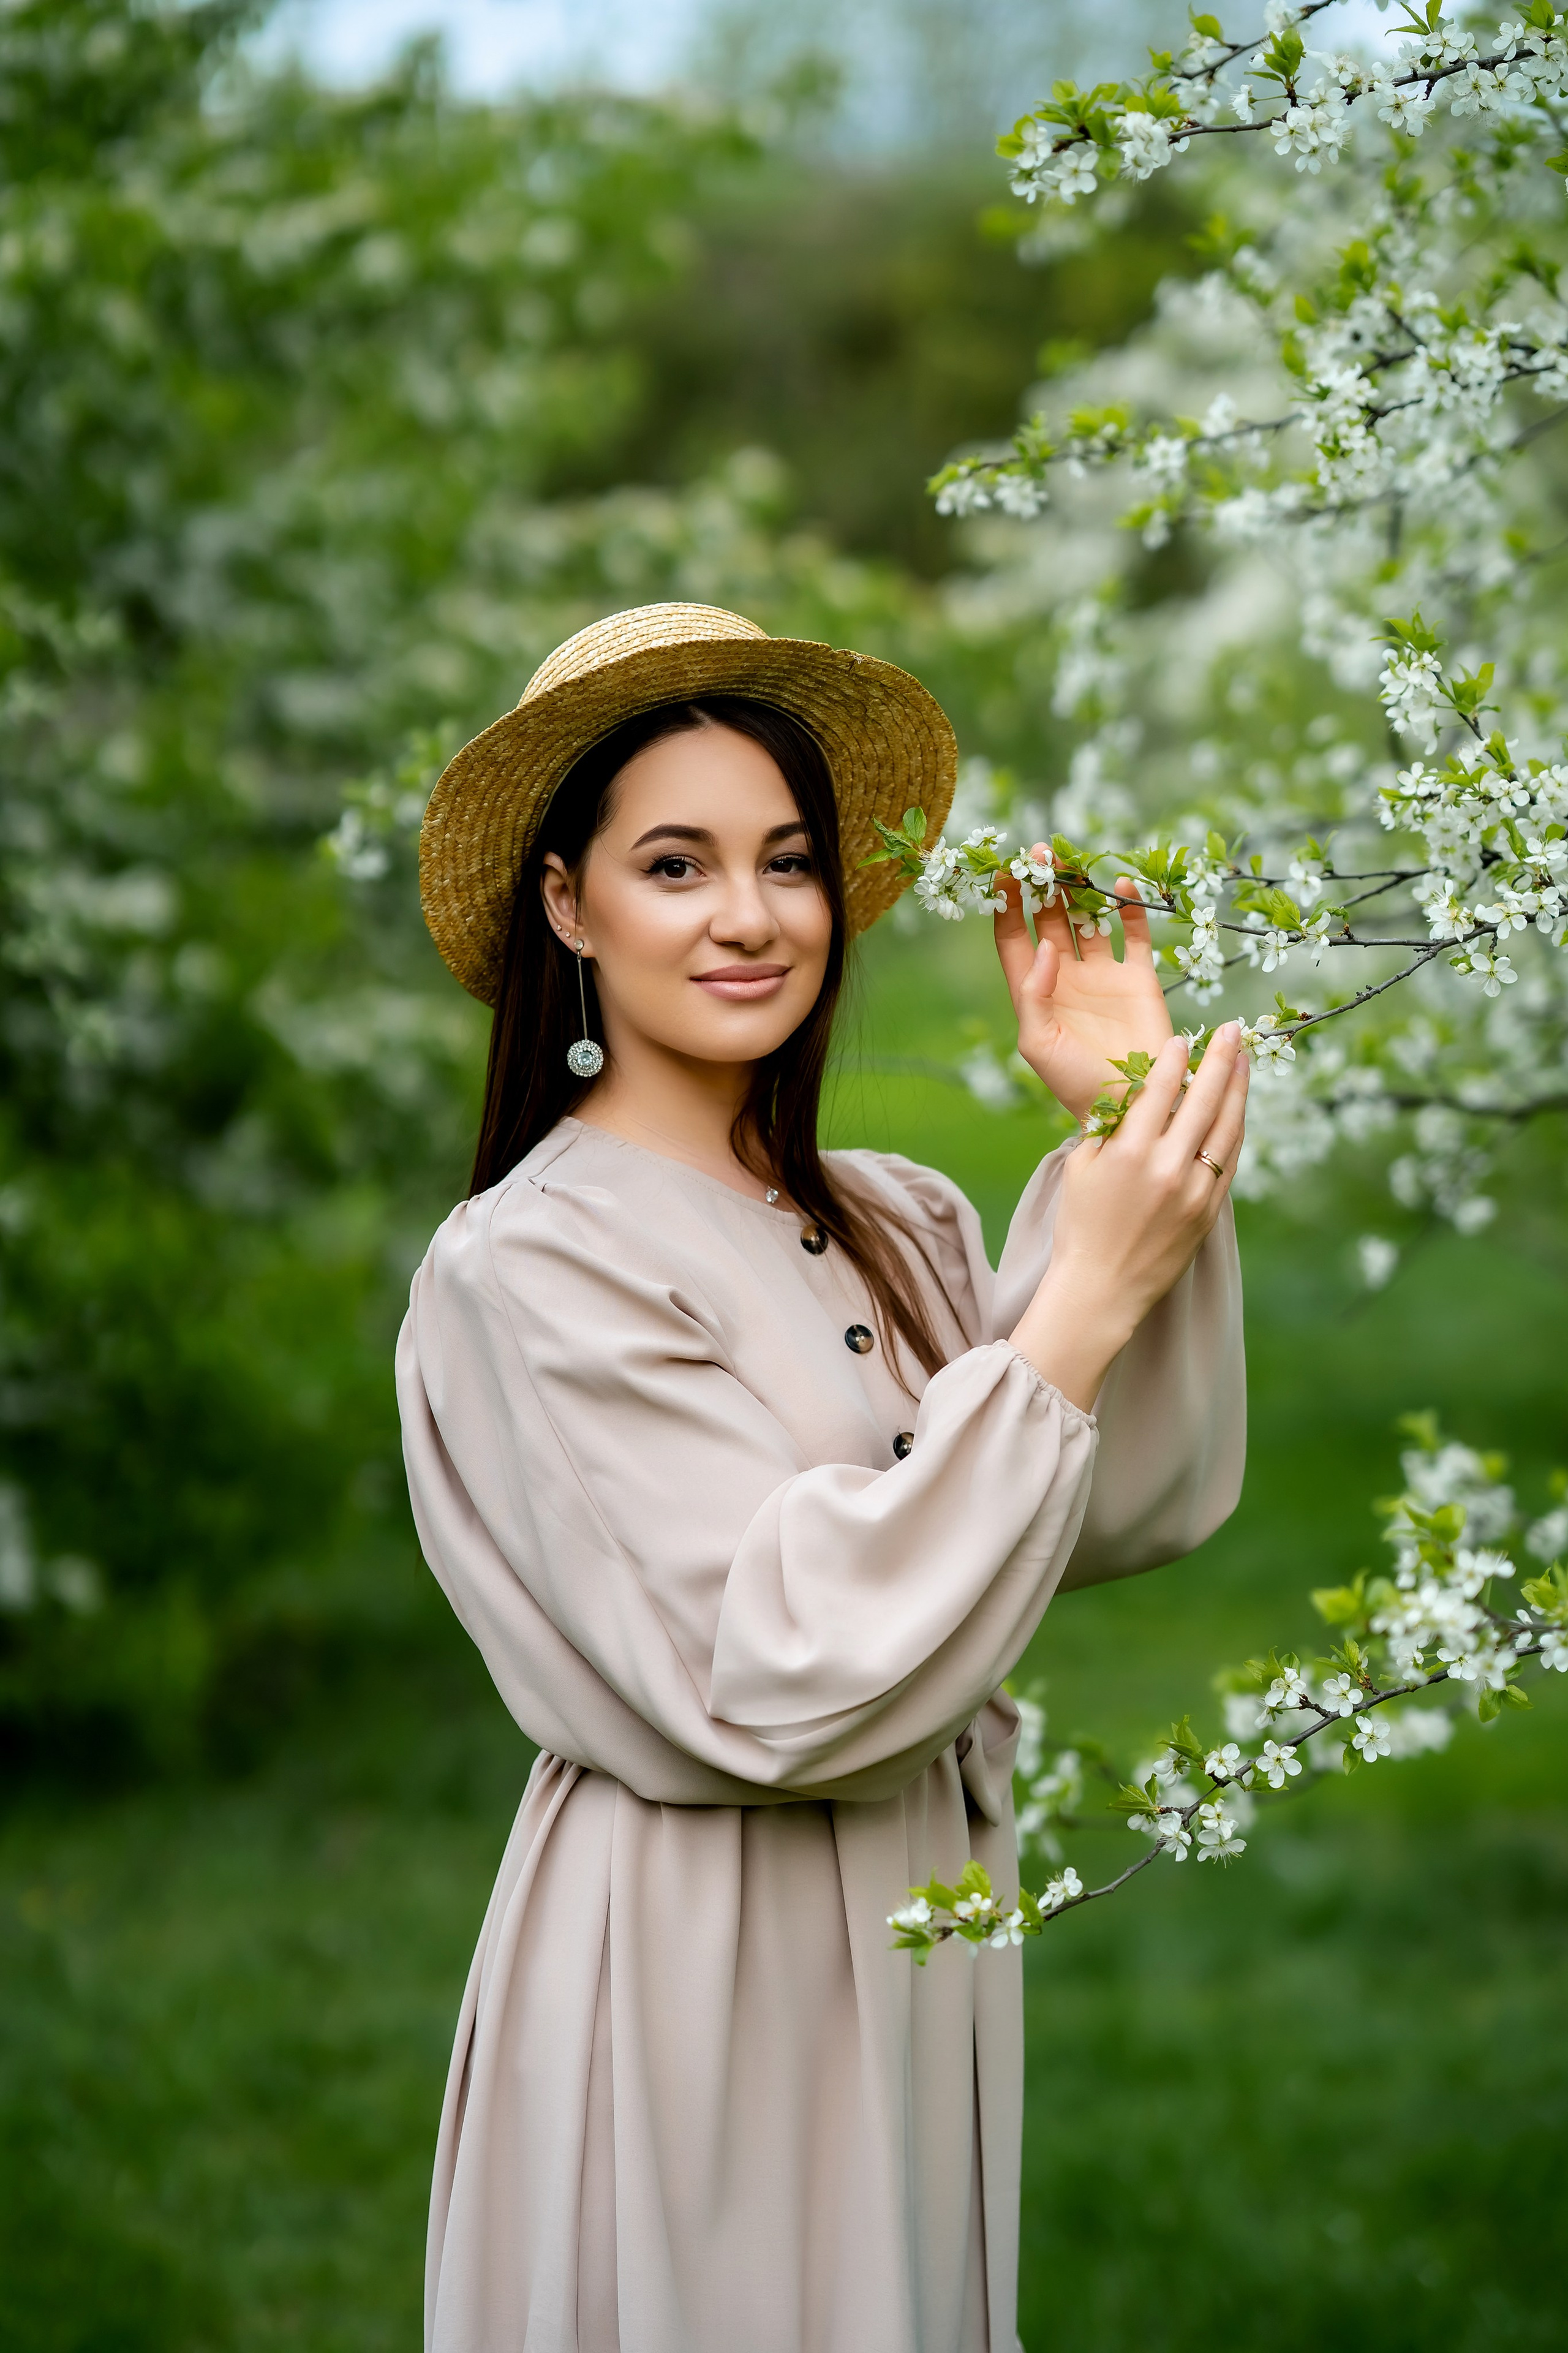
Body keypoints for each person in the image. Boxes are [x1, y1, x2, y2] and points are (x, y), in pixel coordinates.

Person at [397, 602, 1246, 2353]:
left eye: (786, 859)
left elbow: (1113, 1491)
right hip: (699, 1965)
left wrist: (1126, 1127)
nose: (749, 915)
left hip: (911, 1925)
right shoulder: (531, 1266)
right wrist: (1080, 1294)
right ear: (568, 903)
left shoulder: (890, 1214)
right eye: (675, 862)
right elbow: (776, 1667)